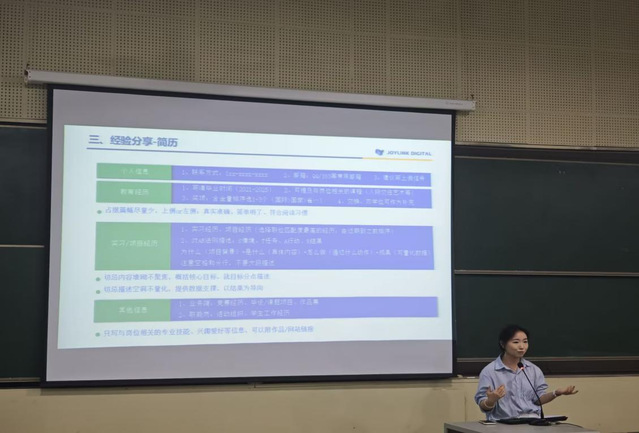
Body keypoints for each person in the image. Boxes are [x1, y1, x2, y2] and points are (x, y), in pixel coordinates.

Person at [474, 324, 578, 421]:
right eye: (516, 342)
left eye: (525, 341)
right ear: (503, 344)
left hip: (533, 422)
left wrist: (556, 393)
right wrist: (491, 400)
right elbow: (483, 406)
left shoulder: (533, 369)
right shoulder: (489, 372)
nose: (522, 346)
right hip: (504, 424)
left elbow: (537, 400)